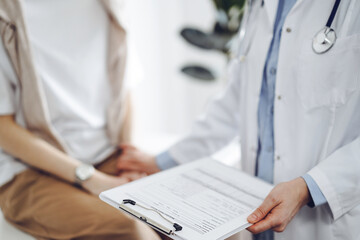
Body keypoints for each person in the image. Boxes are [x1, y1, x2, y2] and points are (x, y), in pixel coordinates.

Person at [116, 0, 360, 239]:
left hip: (322, 218)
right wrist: (163, 162)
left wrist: (309, 187)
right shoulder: (260, 5)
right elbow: (236, 99)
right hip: (254, 212)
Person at [0, 0, 162, 239]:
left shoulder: (109, 6)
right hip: (30, 173)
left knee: (200, 221)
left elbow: (122, 89)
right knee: (132, 231)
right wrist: (89, 177)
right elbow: (4, 129)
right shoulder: (7, 13)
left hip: (108, 157)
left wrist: (125, 158)